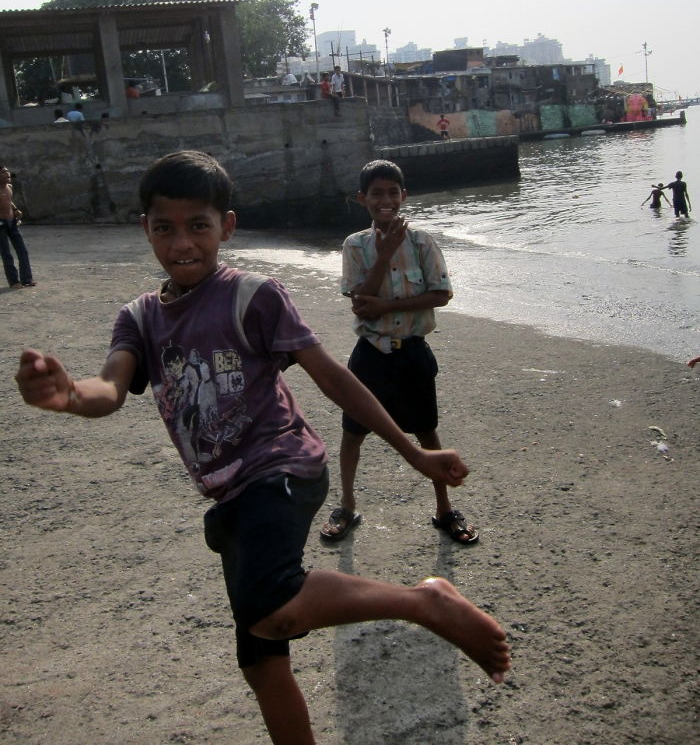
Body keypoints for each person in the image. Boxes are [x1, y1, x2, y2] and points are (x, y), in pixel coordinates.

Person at [14, 150, 510, 745]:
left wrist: (413, 453)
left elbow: (333, 376)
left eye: (198, 225)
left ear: (226, 226)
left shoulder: (253, 295)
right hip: (229, 495)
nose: (182, 244)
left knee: (273, 606)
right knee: (262, 659)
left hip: (282, 467)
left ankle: (424, 602)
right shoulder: (140, 318)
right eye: (164, 227)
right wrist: (68, 394)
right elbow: (110, 388)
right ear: (143, 227)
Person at [320, 159, 478, 547]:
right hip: (370, 354)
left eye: (393, 192)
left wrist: (386, 306)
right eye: (377, 193)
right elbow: (360, 302)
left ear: (404, 196)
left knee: (426, 430)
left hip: (412, 352)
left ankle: (444, 510)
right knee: (353, 432)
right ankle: (347, 505)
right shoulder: (355, 245)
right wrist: (386, 252)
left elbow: (442, 294)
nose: (385, 200)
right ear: (363, 199)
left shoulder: (423, 242)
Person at [0, 164, 36, 288]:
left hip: (12, 223)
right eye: (4, 172)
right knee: (6, 254)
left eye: (7, 171)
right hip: (1, 225)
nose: (7, 174)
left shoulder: (9, 187)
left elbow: (9, 201)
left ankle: (26, 279)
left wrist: (15, 210)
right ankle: (14, 281)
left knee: (23, 251)